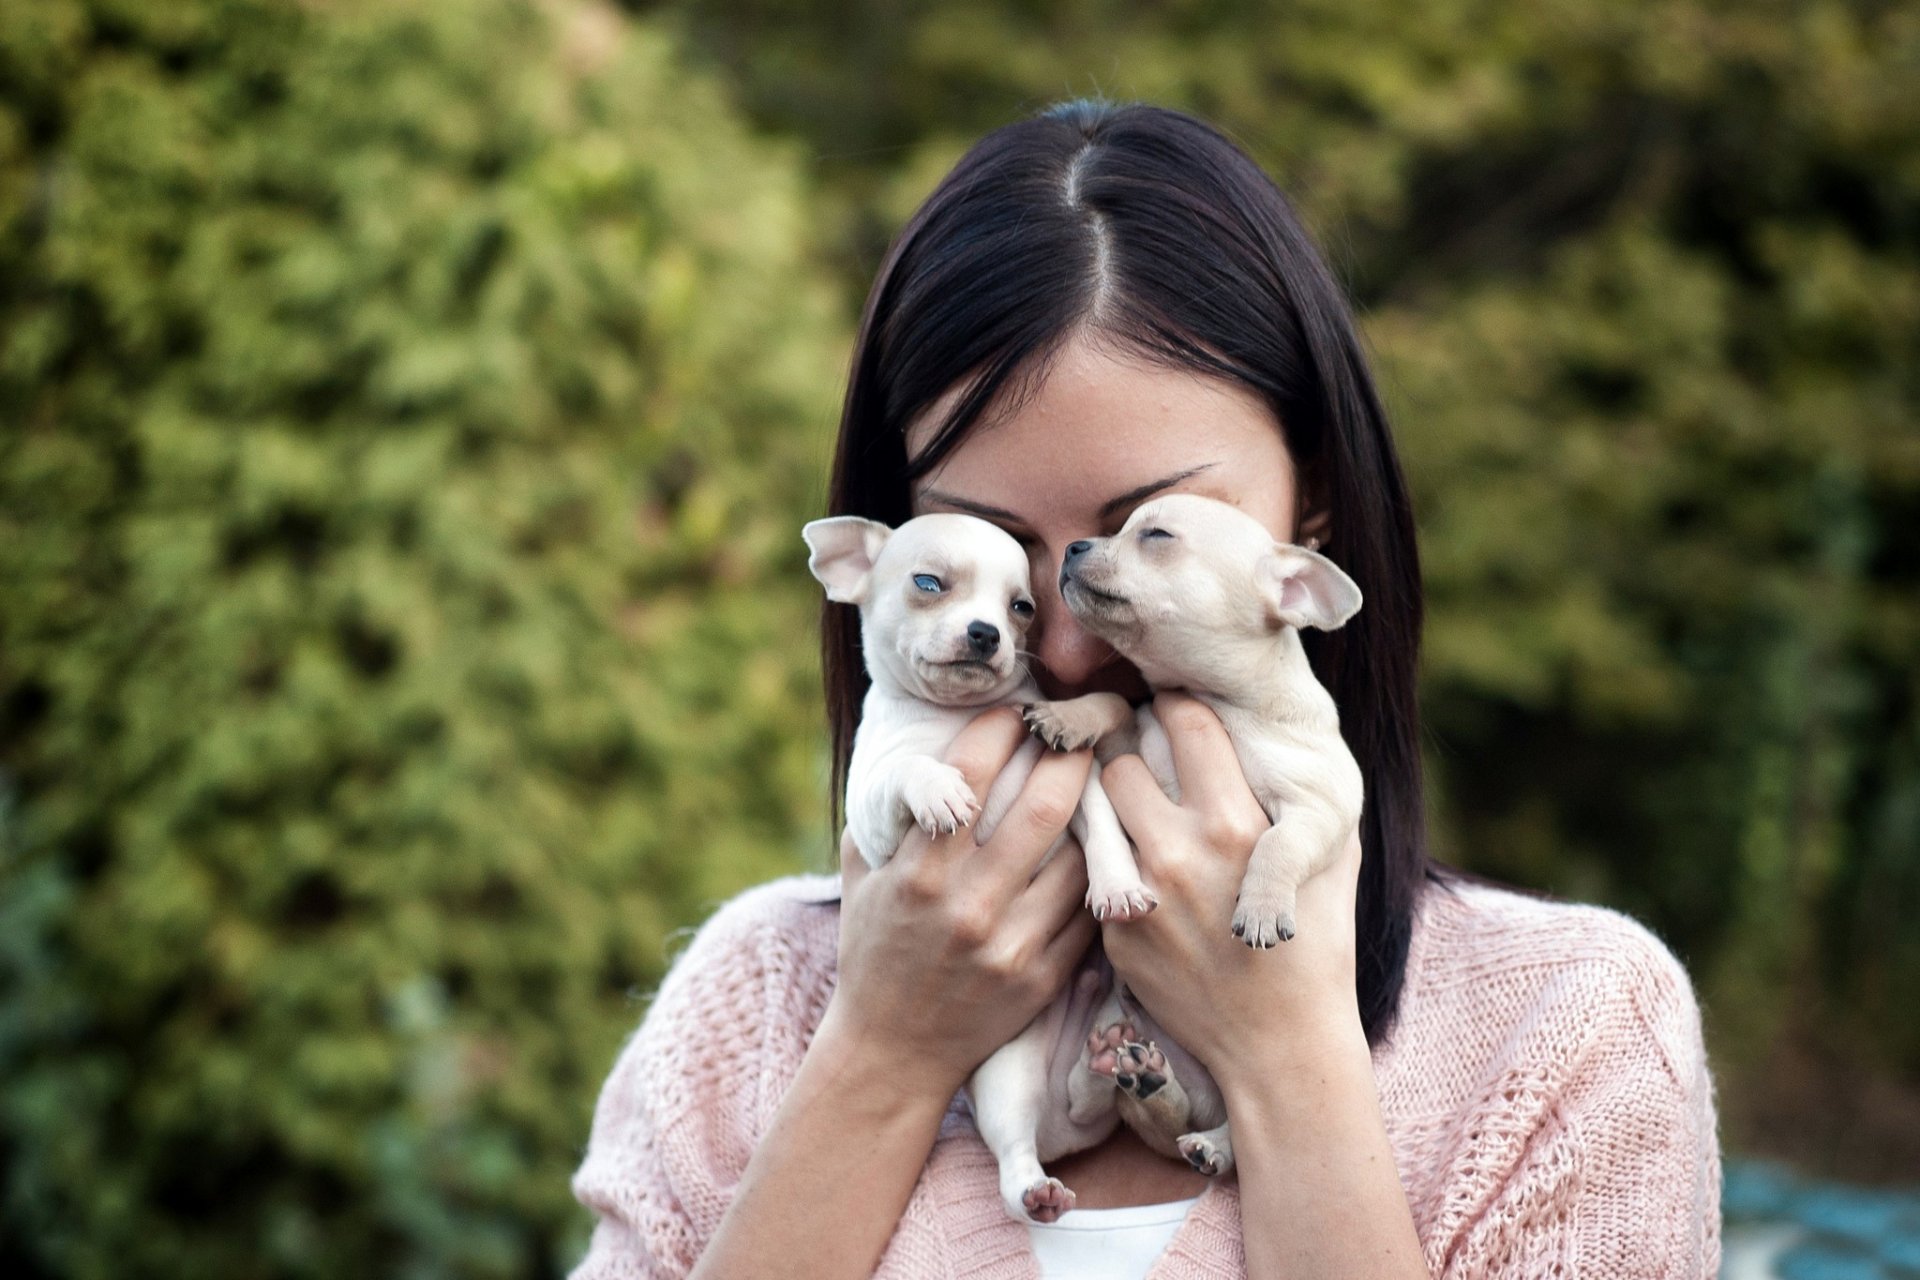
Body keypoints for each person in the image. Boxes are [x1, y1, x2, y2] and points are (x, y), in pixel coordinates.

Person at [568, 100, 1721, 1279]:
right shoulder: (758, 997)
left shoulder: (1568, 1032)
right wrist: (878, 1052)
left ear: (1308, 512)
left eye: (1145, 529)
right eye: (984, 545)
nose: (1055, 642)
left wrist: (1286, 1055)